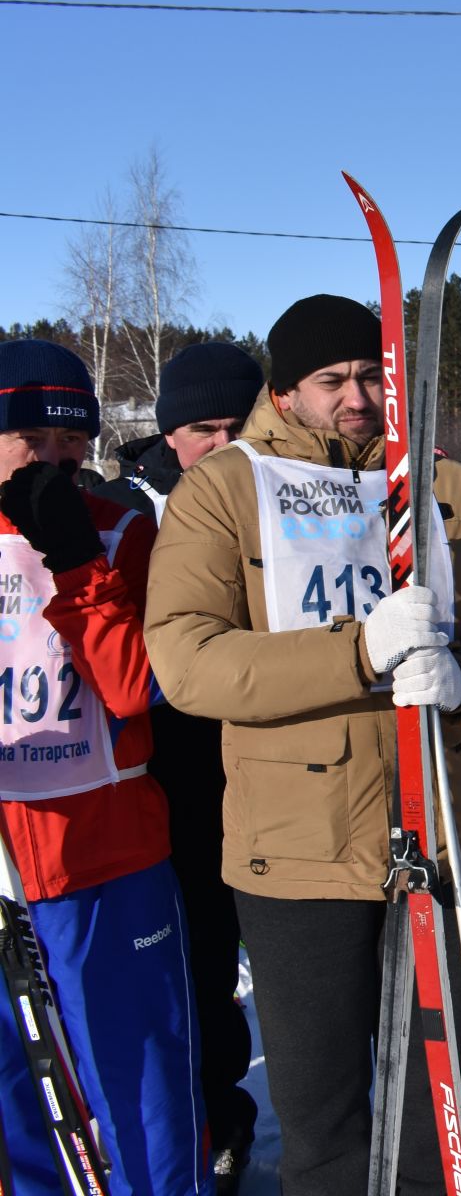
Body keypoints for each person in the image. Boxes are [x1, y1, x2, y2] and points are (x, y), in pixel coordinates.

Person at [143, 294, 461, 1196]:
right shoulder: (225, 488)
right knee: (322, 1114)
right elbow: (187, 661)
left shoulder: (443, 483)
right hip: (296, 856)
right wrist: (356, 652)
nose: (358, 396)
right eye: (332, 381)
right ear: (284, 392)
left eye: (373, 374)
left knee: (433, 1114)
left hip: (439, 830)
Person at [0, 338, 208, 1194]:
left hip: (107, 851)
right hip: (8, 854)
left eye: (69, 445)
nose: (52, 463)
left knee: (142, 1081)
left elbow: (133, 685)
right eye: (29, 443)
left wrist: (76, 562)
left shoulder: (123, 530)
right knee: (18, 1093)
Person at [93, 339, 264, 1191]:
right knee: (190, 966)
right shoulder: (124, 509)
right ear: (169, 431)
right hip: (170, 773)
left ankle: (257, 1118)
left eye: (240, 424)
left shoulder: (278, 488)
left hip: (269, 760)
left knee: (264, 956)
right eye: (204, 428)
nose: (225, 445)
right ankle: (206, 1124)